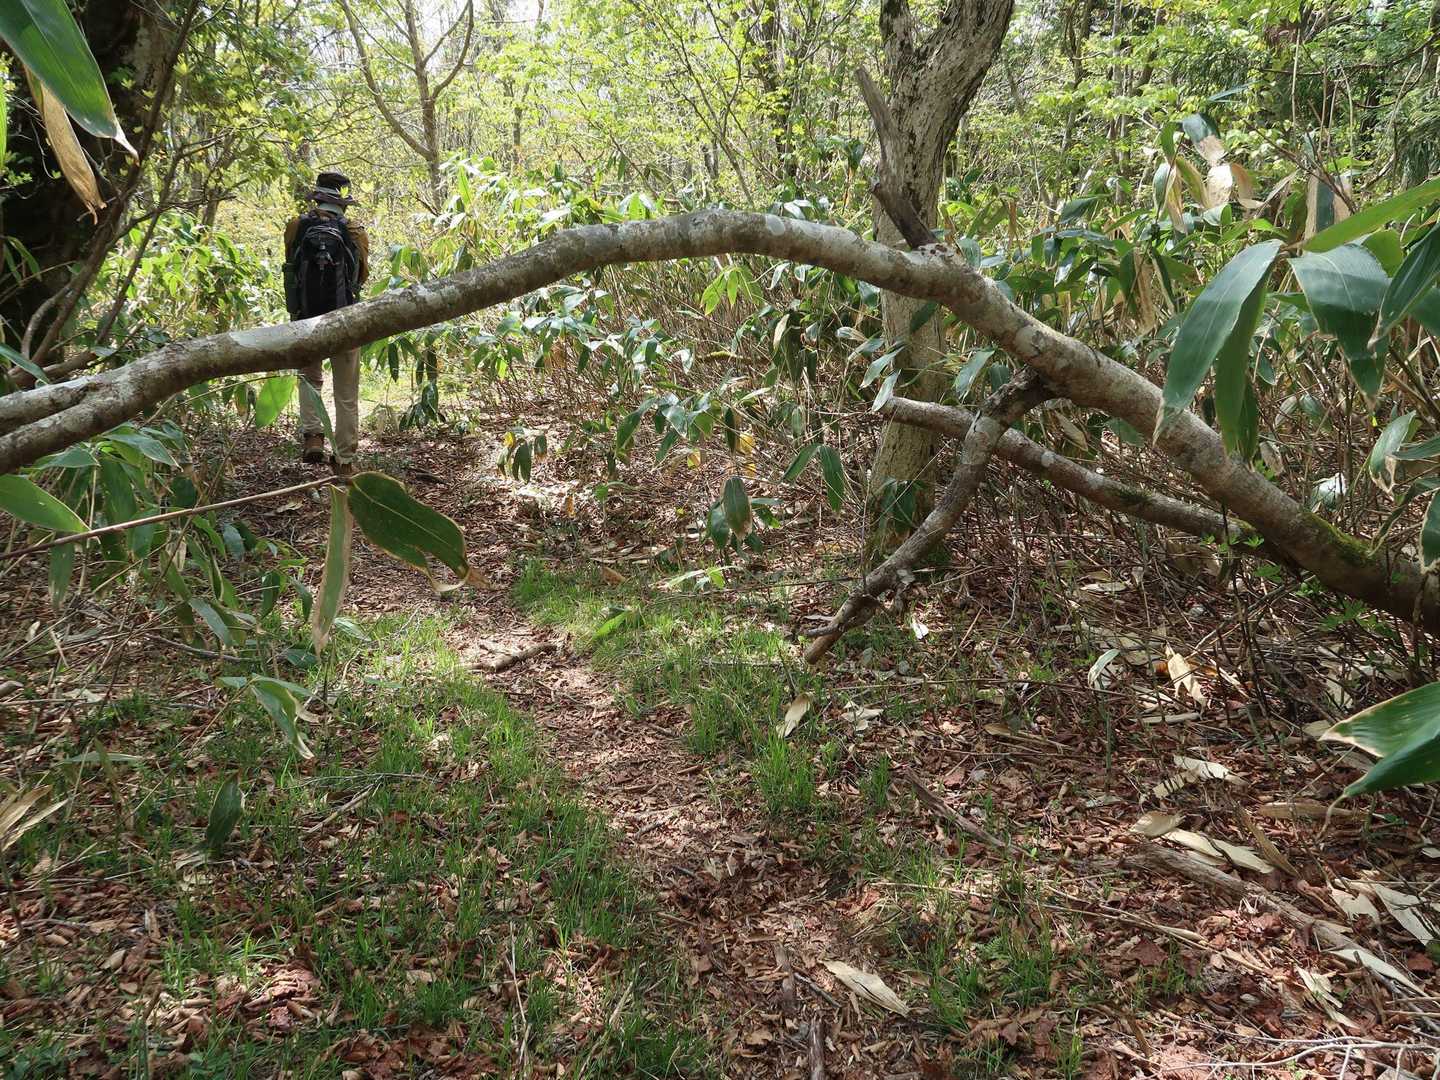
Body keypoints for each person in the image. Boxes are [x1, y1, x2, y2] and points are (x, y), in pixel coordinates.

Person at [283, 170, 370, 478]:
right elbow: (361, 276)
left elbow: (291, 266)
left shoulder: (297, 225)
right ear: (343, 202)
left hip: (306, 318)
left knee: (310, 378)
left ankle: (313, 437)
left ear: (317, 197)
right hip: (346, 319)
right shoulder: (355, 230)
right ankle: (345, 460)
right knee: (346, 392)